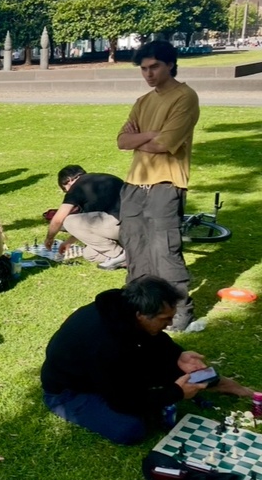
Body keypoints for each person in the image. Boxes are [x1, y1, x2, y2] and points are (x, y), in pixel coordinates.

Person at [41, 276, 256, 445]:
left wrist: (178, 355)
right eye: (165, 319)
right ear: (141, 315)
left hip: (111, 369)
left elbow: (155, 339)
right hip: (69, 391)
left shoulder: (124, 307)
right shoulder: (104, 344)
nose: (171, 324)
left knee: (190, 372)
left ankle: (245, 391)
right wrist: (175, 393)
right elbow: (122, 401)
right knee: (130, 428)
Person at [117, 41, 198, 331]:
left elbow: (166, 144)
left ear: (170, 65)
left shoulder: (184, 97)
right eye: (143, 69)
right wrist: (150, 134)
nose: (148, 74)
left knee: (164, 252)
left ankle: (178, 315)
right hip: (134, 184)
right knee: (135, 249)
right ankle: (140, 309)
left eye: (154, 67)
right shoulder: (143, 101)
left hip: (166, 183)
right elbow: (121, 141)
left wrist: (144, 138)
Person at [44, 165, 125, 269]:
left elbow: (58, 219)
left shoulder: (77, 187)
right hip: (139, 226)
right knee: (89, 254)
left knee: (69, 221)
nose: (68, 192)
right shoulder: (107, 177)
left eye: (65, 190)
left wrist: (49, 238)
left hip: (121, 226)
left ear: (69, 181)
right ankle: (131, 257)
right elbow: (91, 227)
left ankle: (119, 255)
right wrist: (69, 241)